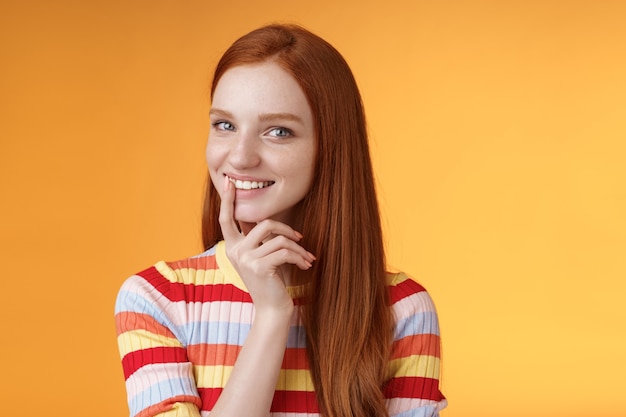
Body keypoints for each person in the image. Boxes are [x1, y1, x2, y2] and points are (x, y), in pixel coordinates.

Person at [115, 23, 447, 417]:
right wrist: (271, 317)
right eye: (225, 125)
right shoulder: (156, 298)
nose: (240, 157)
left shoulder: (401, 309)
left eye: (277, 131)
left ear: (330, 147)